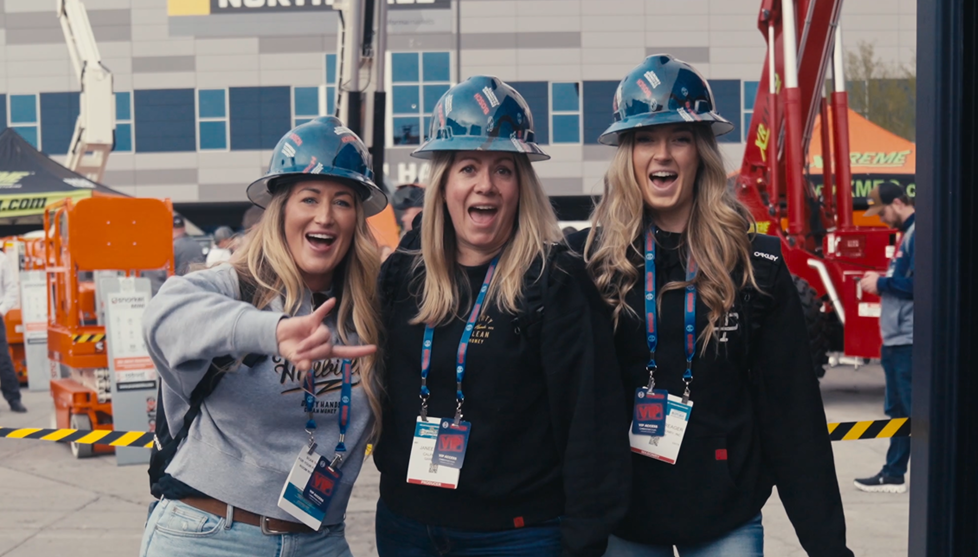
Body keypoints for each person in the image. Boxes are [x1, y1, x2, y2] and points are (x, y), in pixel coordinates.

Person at [570, 55, 853, 557]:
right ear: (626, 152)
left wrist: (829, 546)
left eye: (679, 138)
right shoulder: (589, 262)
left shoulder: (753, 263)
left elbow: (793, 413)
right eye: (645, 139)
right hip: (622, 520)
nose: (663, 155)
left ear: (701, 151)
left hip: (726, 519)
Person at [374, 75, 630, 557]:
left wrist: (583, 539)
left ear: (521, 184)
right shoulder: (405, 272)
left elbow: (590, 424)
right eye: (468, 167)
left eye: (504, 170)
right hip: (407, 527)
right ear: (444, 181)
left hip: (517, 534)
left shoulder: (555, 280)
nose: (485, 186)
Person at [140, 116, 385, 557]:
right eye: (309, 198)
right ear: (282, 210)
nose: (325, 216)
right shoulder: (237, 287)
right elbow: (163, 317)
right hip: (210, 536)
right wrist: (270, 331)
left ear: (357, 219)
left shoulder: (366, 311)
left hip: (320, 540)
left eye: (343, 202)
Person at [854, 183, 915, 494]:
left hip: (907, 340)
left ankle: (899, 472)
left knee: (909, 410)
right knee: (899, 411)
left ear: (897, 202)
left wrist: (882, 283)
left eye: (882, 212)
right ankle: (893, 472)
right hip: (896, 340)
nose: (881, 219)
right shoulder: (910, 234)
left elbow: (922, 284)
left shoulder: (918, 234)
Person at [0, 225, 26, 413]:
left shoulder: (1, 260)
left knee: (3, 359)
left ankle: (14, 399)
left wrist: (1, 310)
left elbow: (11, 289)